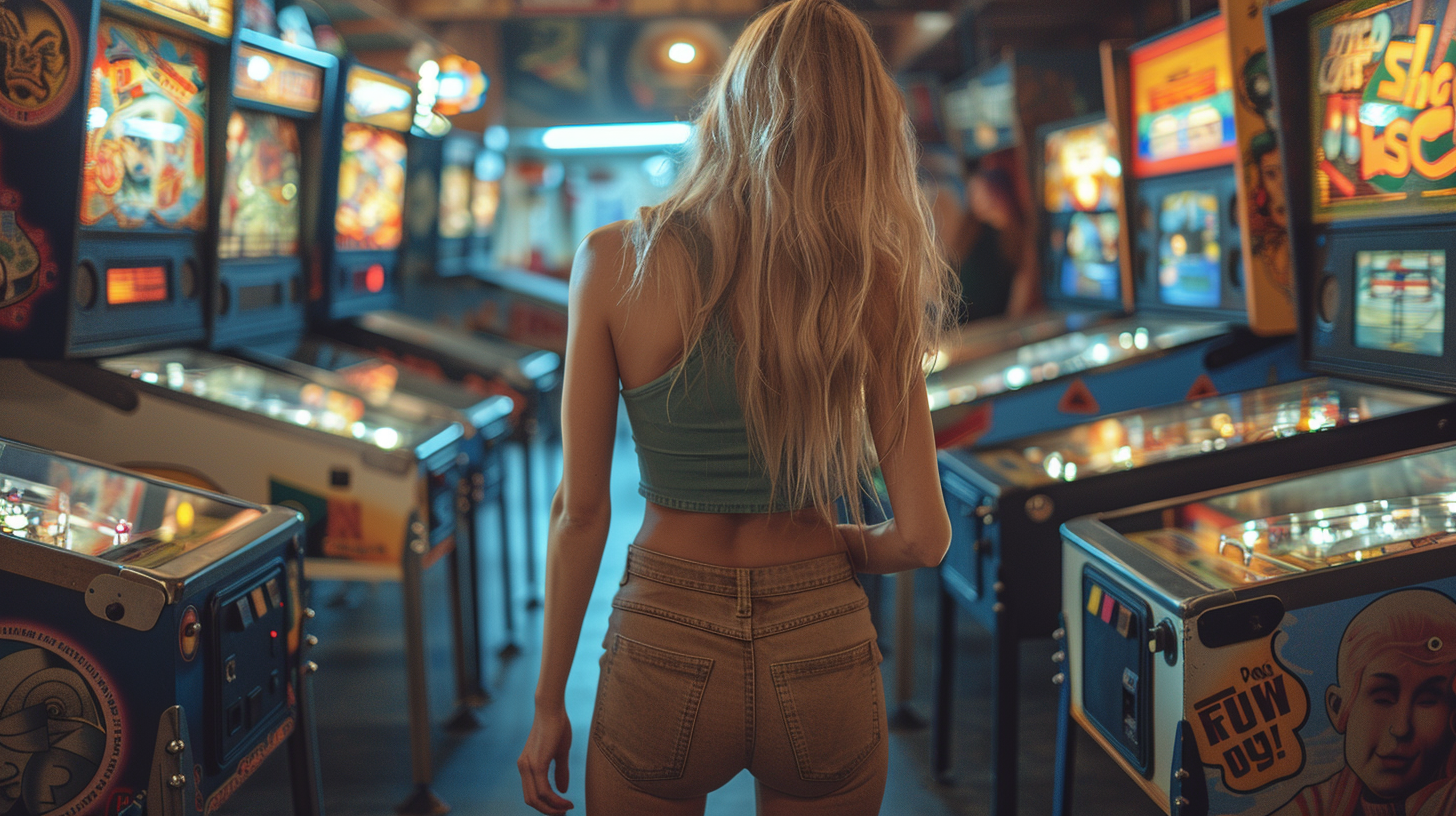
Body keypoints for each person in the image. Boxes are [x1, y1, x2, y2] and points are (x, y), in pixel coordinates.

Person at [516, 0, 955, 813]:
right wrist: (839, 548)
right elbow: (925, 540)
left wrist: (547, 705)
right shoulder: (874, 280)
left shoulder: (613, 259)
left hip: (663, 637)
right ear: (864, 125)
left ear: (732, 102)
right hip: (821, 635)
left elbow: (580, 513)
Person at [1272, 589, 1456, 816]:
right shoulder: (1316, 806)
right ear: (1338, 708)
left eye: (1427, 701)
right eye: (1383, 699)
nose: (1401, 728)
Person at [950, 164, 1041, 323]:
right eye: (972, 194)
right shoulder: (972, 231)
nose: (975, 200)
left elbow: (1022, 280)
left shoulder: (1018, 235)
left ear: (998, 191)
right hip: (960, 317)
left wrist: (1011, 323)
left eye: (980, 192)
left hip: (990, 321)